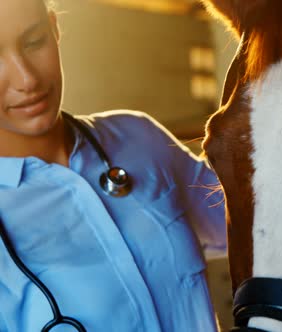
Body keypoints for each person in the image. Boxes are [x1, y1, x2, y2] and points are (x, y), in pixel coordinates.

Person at [0, 0, 227, 331]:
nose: (27, 79)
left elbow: (258, 221)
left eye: (34, 42)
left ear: (55, 28)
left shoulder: (140, 139)